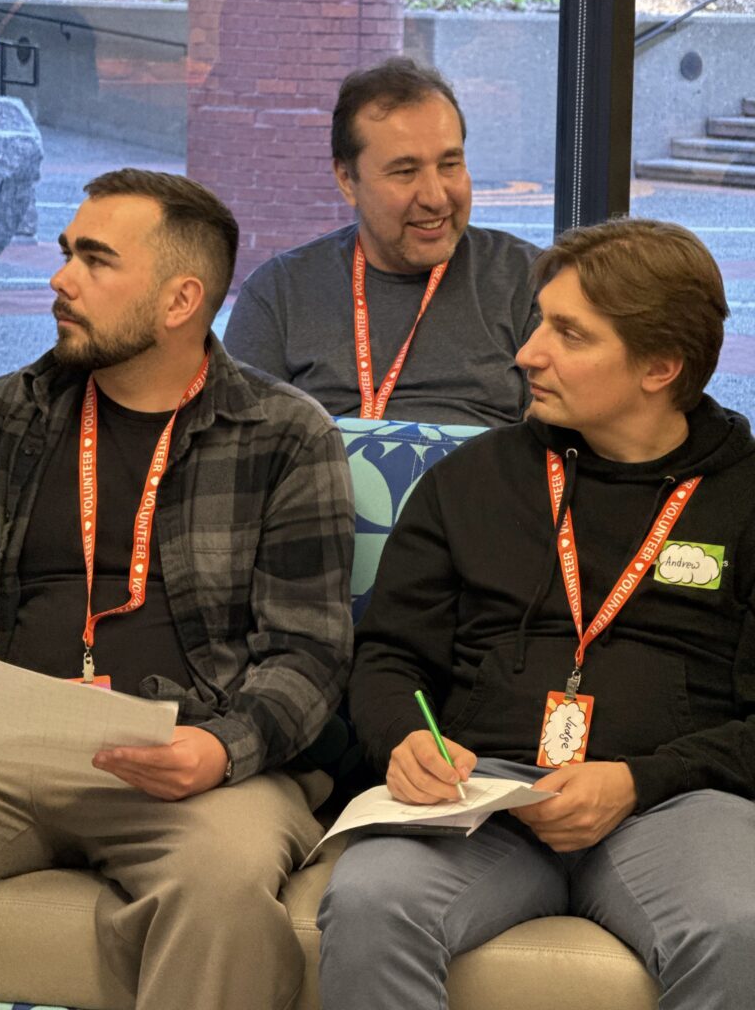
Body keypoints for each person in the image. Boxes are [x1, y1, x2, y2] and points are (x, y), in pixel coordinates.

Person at [318, 218, 755, 1010]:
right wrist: (406, 737)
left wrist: (637, 779)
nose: (526, 353)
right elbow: (388, 654)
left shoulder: (745, 496)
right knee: (371, 901)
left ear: (660, 365)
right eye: (538, 322)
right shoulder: (472, 480)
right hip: (486, 794)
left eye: (569, 334)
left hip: (674, 800)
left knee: (738, 925)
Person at [0, 168, 354, 1010]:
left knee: (222, 887)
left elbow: (310, 652)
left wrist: (223, 749)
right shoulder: (8, 417)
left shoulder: (285, 434)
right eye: (65, 252)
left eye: (95, 260)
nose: (60, 279)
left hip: (193, 758)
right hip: (10, 747)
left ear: (180, 299)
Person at [223, 56, 540, 427]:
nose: (436, 197)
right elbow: (238, 449)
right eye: (405, 172)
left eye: (450, 164)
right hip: (324, 482)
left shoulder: (531, 280)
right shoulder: (279, 293)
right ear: (346, 179)